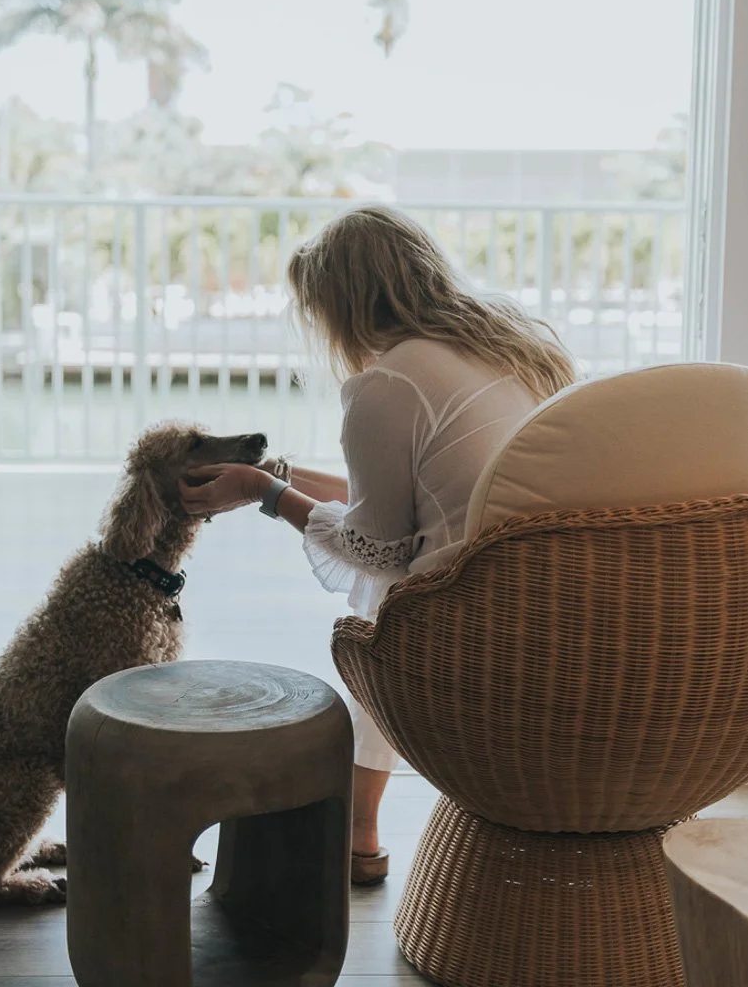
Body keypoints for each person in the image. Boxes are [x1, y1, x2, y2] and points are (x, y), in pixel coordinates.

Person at [179, 205, 577, 885]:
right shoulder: (504, 344)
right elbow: (406, 500)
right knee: (391, 591)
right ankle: (360, 831)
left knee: (380, 602)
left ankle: (358, 831)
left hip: (476, 618)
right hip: (550, 589)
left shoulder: (387, 383)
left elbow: (374, 544)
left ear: (342, 303)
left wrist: (266, 495)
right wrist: (272, 476)